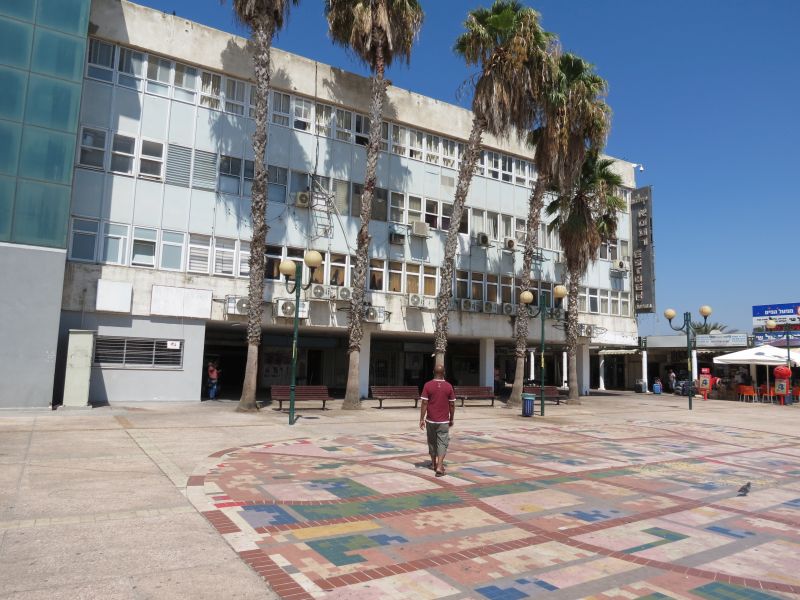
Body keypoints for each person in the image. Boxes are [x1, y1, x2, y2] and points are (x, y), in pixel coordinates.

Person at [419, 364, 456, 477]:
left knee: (432, 442)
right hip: (443, 421)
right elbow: (452, 404)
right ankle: (439, 466)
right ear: (444, 373)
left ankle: (434, 464)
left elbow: (424, 402)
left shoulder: (427, 385)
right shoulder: (449, 386)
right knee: (442, 443)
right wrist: (451, 418)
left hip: (430, 420)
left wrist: (421, 419)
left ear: (433, 372)